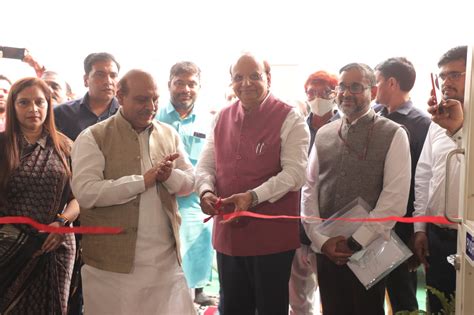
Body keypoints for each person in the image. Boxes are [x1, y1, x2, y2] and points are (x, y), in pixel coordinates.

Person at [71, 69, 196, 315]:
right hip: (112, 266)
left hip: (164, 264)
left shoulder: (168, 133)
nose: (150, 106)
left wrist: (169, 175)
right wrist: (141, 182)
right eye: (141, 99)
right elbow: (86, 192)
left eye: (155, 99)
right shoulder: (93, 137)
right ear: (120, 97)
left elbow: (190, 183)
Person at [196, 52, 309, 315]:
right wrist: (205, 191)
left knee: (271, 307)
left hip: (272, 239)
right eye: (238, 78)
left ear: (268, 78)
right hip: (228, 237)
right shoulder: (221, 117)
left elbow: (295, 174)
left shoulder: (290, 118)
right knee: (233, 306)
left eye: (254, 76)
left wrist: (252, 197)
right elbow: (205, 165)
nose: (246, 83)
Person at [302, 63, 411, 315]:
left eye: (355, 87)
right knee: (331, 309)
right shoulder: (324, 133)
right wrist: (321, 240)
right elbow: (309, 189)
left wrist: (356, 242)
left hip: (370, 250)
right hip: (327, 250)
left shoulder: (394, 134)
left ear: (372, 91)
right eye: (341, 86)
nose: (346, 93)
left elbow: (394, 199)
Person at [0, 77, 79, 314]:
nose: (33, 109)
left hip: (56, 245)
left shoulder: (65, 147)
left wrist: (62, 223)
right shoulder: (2, 147)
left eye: (39, 102)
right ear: (13, 106)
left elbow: (80, 197)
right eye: (24, 103)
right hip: (9, 247)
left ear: (49, 105)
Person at [373, 57, 431, 313]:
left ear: (392, 83)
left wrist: (415, 230)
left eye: (377, 82)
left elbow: (422, 180)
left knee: (402, 295)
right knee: (371, 290)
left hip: (401, 225)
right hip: (370, 221)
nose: (374, 88)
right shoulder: (374, 116)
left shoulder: (421, 124)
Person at [156, 61, 216, 306]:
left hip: (194, 201)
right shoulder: (155, 116)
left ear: (200, 86)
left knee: (198, 246)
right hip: (159, 197)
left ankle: (198, 291)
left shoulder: (209, 120)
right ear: (169, 84)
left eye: (192, 84)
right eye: (179, 83)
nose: (185, 89)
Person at [413, 45, 467, 314]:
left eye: (455, 74)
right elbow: (425, 176)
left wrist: (457, 129)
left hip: (468, 238)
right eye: (443, 75)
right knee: (437, 305)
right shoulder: (436, 121)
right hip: (437, 236)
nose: (446, 82)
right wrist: (420, 228)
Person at [289, 70, 338, 315]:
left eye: (324, 92)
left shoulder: (343, 126)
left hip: (330, 223)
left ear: (335, 94)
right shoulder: (296, 126)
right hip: (295, 222)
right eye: (311, 92)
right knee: (297, 293)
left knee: (331, 292)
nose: (317, 97)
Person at [54, 52, 120, 141]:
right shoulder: (62, 113)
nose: (108, 81)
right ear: (86, 80)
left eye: (113, 76)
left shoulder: (127, 115)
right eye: (100, 75)